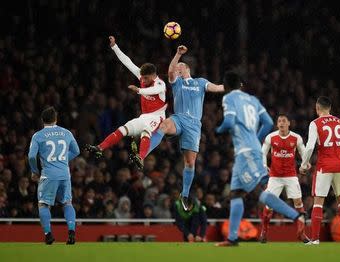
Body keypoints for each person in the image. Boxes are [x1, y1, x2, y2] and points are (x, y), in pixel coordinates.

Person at [215, 71, 306, 247]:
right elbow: (268, 122)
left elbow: (229, 121)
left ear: (225, 87)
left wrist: (216, 131)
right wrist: (256, 140)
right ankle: (232, 238)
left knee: (258, 192)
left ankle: (297, 215)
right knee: (235, 194)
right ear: (240, 85)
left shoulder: (228, 99)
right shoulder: (253, 100)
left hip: (246, 152)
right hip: (248, 150)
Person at [144, 45, 224, 211]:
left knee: (190, 162)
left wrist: (230, 86)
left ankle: (185, 194)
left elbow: (216, 88)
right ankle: (142, 153)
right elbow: (171, 71)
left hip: (194, 124)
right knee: (164, 125)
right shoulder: (177, 82)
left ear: (187, 69)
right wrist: (178, 55)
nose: (177, 68)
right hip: (179, 118)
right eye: (177, 66)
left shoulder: (200, 82)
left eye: (180, 66)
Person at [86, 36, 167, 170]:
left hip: (157, 117)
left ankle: (140, 157)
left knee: (146, 132)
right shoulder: (142, 77)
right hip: (144, 116)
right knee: (123, 129)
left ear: (153, 75)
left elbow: (156, 89)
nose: (143, 80)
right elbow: (127, 62)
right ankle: (100, 147)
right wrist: (114, 47)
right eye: (142, 77)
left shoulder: (160, 84)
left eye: (146, 78)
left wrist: (139, 90)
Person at [300, 96, 340, 245]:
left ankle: (315, 239)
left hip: (324, 166)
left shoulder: (315, 123)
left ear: (317, 108)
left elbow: (310, 146)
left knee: (318, 202)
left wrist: (304, 164)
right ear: (330, 108)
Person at [28, 107, 80, 244]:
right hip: (64, 174)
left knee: (43, 204)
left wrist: (35, 171)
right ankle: (71, 232)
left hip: (48, 174)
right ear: (56, 119)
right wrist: (62, 159)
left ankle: (48, 235)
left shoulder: (38, 136)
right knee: (67, 203)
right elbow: (76, 151)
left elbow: (32, 156)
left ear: (42, 120)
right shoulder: (66, 133)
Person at [259, 114, 308, 243]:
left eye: (284, 121)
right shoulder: (271, 137)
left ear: (288, 123)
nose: (281, 123)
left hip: (291, 176)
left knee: (298, 203)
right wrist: (264, 165)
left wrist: (305, 163)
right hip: (275, 177)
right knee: (269, 205)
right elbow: (262, 152)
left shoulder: (296, 138)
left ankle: (301, 234)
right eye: (279, 121)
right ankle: (264, 232)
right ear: (277, 124)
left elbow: (304, 153)